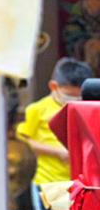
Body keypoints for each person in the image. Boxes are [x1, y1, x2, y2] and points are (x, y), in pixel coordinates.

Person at [17, 58, 91, 187]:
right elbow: (23, 141)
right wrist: (57, 152)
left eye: (80, 97)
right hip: (46, 181)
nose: (75, 101)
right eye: (69, 96)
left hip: (77, 182)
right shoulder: (37, 109)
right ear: (53, 86)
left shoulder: (86, 108)